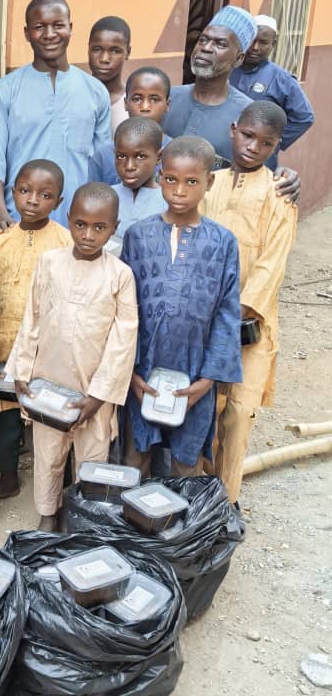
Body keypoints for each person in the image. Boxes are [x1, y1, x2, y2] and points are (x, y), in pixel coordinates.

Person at [7, 182, 138, 530]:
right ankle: (48, 514)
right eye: (80, 224)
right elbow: (31, 317)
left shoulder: (120, 275)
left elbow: (123, 341)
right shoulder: (49, 262)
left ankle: (84, 518)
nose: (89, 235)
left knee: (91, 457)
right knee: (48, 455)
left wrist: (98, 396)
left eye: (100, 227)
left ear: (114, 228)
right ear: (68, 220)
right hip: (49, 383)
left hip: (93, 390)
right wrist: (22, 370)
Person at [121, 136, 242, 477]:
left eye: (192, 181)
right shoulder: (138, 236)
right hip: (144, 367)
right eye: (171, 179)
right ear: (159, 176)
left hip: (195, 370)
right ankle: (135, 528)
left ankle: (180, 530)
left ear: (209, 182)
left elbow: (227, 312)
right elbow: (124, 309)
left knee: (186, 462)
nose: (179, 190)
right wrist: (129, 372)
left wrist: (208, 379)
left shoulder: (223, 242)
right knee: (136, 455)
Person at [202, 102, 297, 502]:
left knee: (238, 412)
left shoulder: (279, 195)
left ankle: (226, 499)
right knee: (205, 409)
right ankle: (200, 489)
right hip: (202, 317)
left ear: (276, 147)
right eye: (247, 136)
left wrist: (235, 313)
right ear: (233, 129)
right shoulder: (207, 182)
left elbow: (270, 267)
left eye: (266, 143)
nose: (253, 147)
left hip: (248, 326)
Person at [0, 0, 111, 230]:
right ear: (27, 33)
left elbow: (103, 161)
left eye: (58, 25)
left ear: (70, 28)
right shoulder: (4, 91)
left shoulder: (95, 91)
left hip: (79, 226)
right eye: (39, 27)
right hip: (18, 222)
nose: (49, 34)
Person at [0, 159, 71, 501]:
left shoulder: (65, 242)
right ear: (13, 192)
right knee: (3, 417)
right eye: (25, 191)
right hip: (6, 344)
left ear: (58, 202)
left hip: (47, 348)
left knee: (48, 417)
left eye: (44, 194)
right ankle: (7, 477)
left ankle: (55, 486)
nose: (33, 200)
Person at [163, 5, 300, 198]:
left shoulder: (248, 116)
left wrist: (285, 178)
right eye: (203, 40)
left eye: (220, 44)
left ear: (238, 58)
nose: (206, 48)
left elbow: (262, 181)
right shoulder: (166, 98)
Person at [230, 14, 314, 152]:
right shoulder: (228, 68)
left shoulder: (282, 79)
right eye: (251, 40)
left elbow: (304, 117)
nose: (255, 47)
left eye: (263, 42)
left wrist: (270, 143)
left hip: (255, 156)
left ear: (273, 44)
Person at [89, 66, 172, 185]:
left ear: (167, 105)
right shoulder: (104, 155)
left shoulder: (177, 153)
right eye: (137, 99)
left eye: (154, 100)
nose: (145, 107)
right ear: (126, 103)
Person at [111, 118, 167, 249]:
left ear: (159, 157)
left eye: (140, 157)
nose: (129, 166)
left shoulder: (169, 202)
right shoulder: (104, 198)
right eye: (121, 156)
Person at [87, 15, 132, 135]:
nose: (104, 59)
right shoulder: (75, 96)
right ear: (88, 49)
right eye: (97, 49)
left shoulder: (134, 104)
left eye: (115, 51)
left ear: (128, 52)